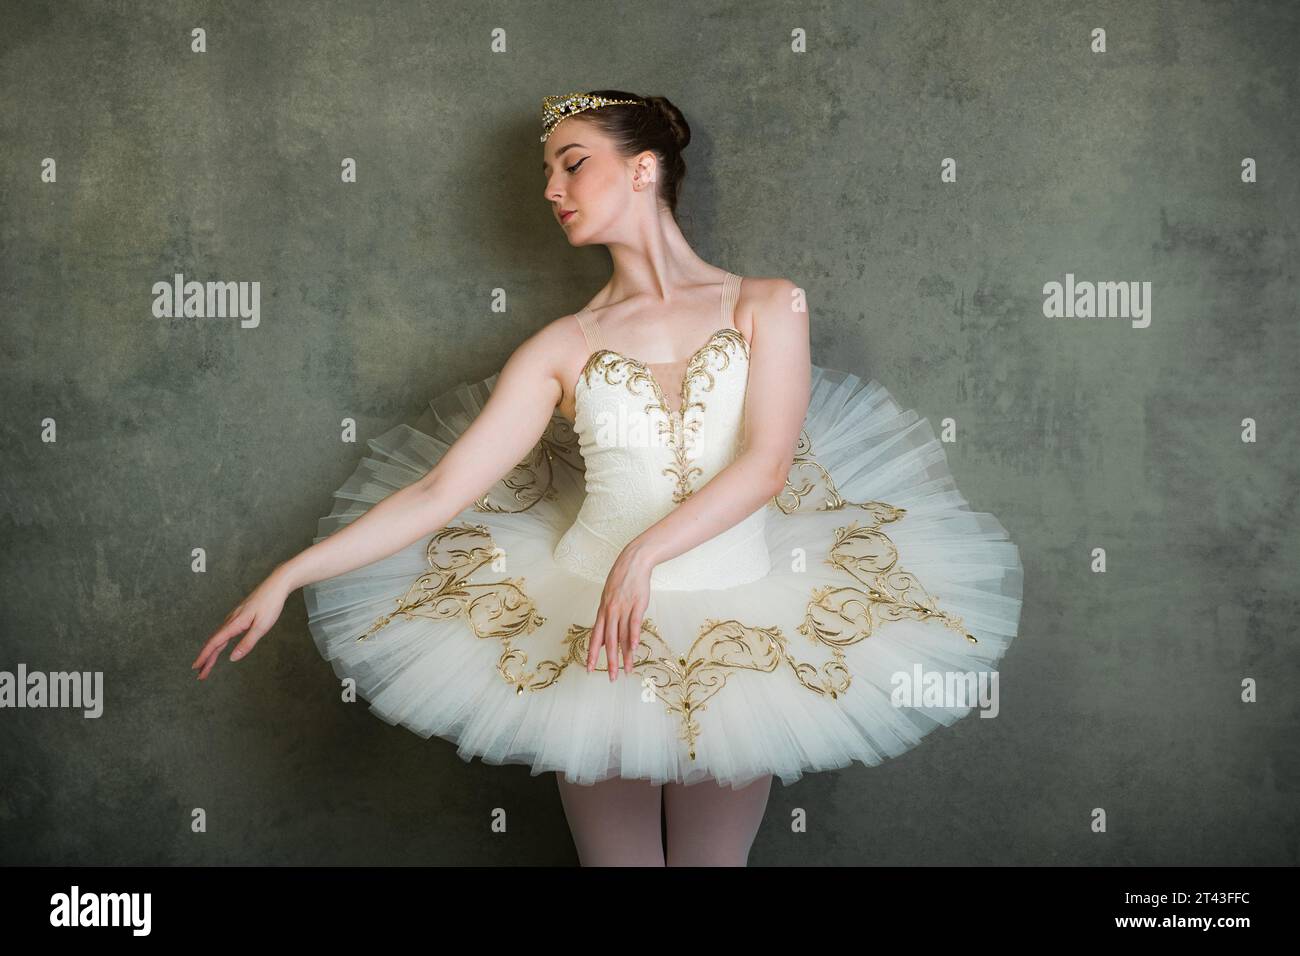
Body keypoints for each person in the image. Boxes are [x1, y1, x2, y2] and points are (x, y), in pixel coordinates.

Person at [192, 89, 1024, 867]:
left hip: (748, 622)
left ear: (643, 168)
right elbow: (439, 493)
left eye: (572, 161)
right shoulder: (561, 345)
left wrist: (644, 556)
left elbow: (767, 465)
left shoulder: (769, 304)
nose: (553, 188)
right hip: (590, 624)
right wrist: (291, 573)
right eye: (547, 172)